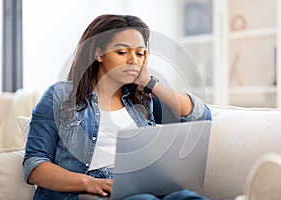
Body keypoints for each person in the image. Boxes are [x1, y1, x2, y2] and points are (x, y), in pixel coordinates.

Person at [23, 14, 212, 200]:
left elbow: (198, 115)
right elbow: (34, 165)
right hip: (86, 192)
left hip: (142, 186)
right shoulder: (60, 96)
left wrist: (148, 82)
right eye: (122, 52)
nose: (133, 60)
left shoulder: (141, 98)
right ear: (98, 54)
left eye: (139, 53)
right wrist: (90, 183)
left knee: (186, 197)